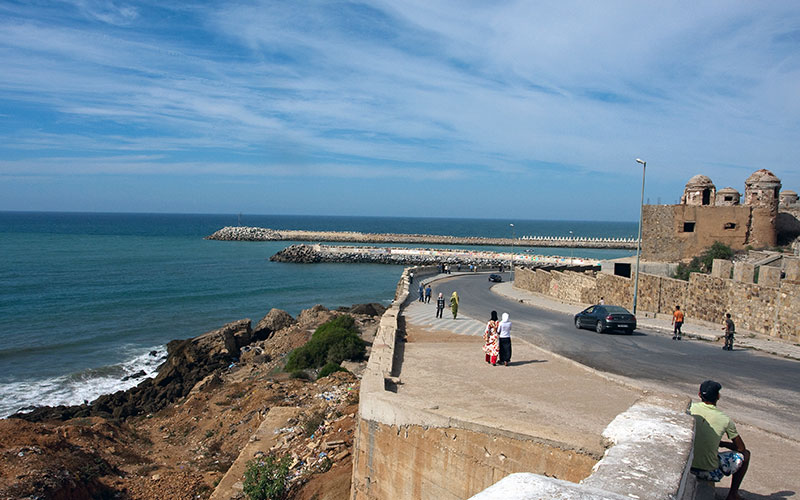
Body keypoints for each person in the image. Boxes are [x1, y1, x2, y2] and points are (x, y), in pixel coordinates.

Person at [689, 380, 750, 499]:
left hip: (689, 465)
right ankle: (733, 494)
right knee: (746, 455)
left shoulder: (690, 408)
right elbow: (741, 448)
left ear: (699, 395)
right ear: (718, 396)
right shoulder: (725, 419)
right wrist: (723, 444)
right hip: (709, 471)